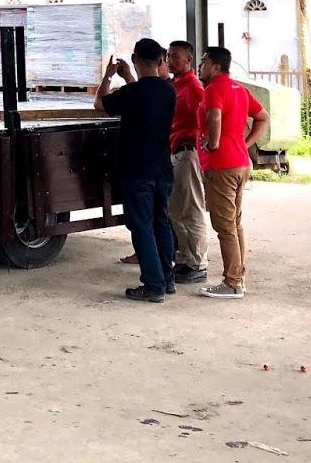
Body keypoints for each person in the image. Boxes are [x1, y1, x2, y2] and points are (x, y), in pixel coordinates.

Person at [95, 38, 179, 303]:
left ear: (135, 59)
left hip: (136, 170)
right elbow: (143, 95)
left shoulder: (131, 94)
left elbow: (101, 104)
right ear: (161, 61)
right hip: (162, 170)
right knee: (161, 223)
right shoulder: (169, 91)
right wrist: (130, 77)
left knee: (142, 227)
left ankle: (153, 285)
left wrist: (108, 78)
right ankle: (167, 279)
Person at [197, 46, 269, 299]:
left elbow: (214, 115)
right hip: (240, 162)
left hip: (222, 165)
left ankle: (233, 283)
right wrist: (245, 143)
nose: (200, 65)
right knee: (235, 223)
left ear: (215, 66)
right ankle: (238, 276)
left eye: (204, 61)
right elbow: (263, 117)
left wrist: (214, 143)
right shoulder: (240, 89)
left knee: (224, 225)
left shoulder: (214, 89)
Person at [166, 40, 210, 286]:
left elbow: (205, 118)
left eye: (175, 56)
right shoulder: (175, 85)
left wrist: (203, 148)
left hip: (188, 151)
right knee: (177, 210)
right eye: (169, 55)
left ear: (188, 60)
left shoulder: (193, 88)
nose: (170, 60)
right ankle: (185, 258)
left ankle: (198, 263)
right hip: (176, 151)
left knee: (191, 209)